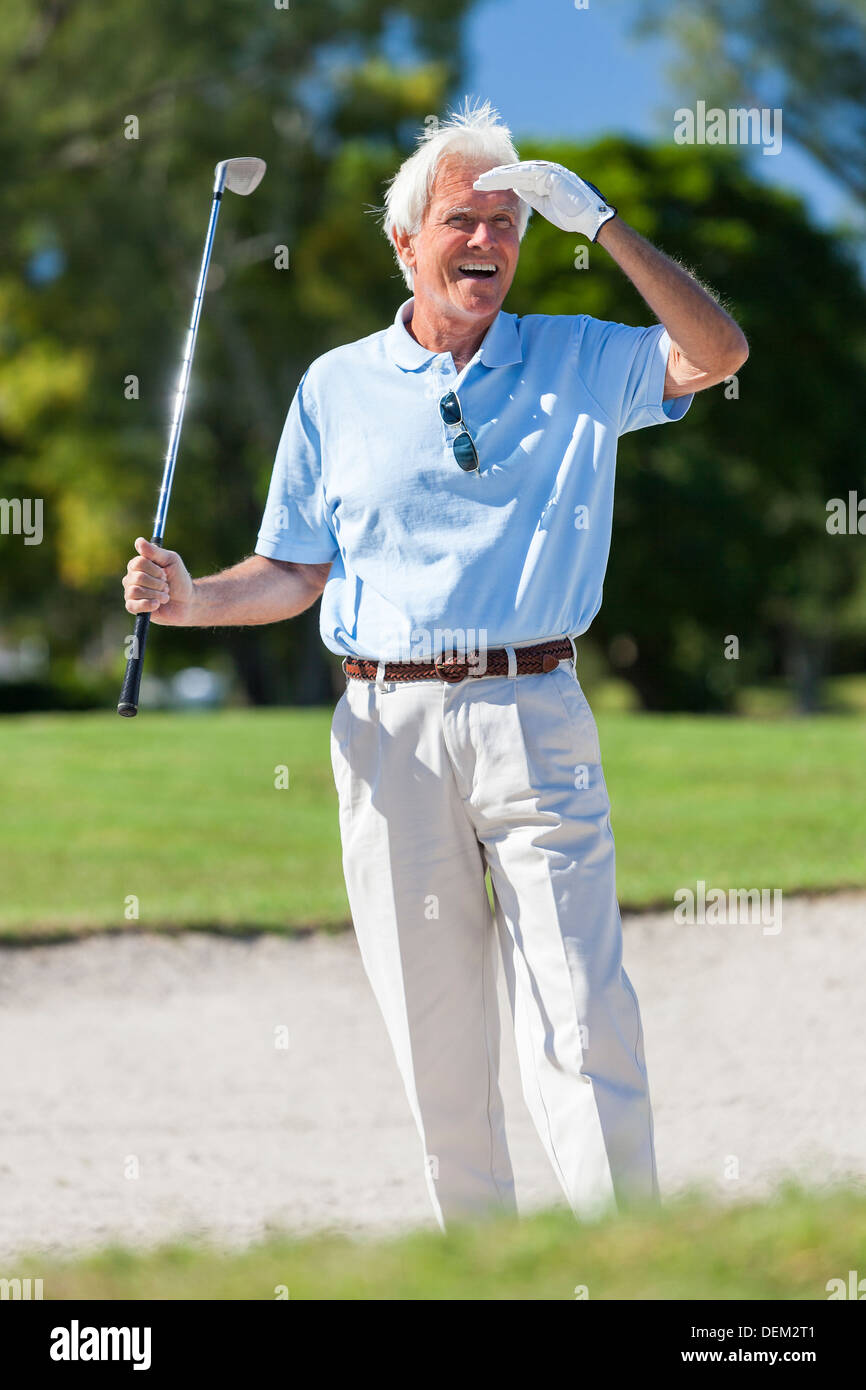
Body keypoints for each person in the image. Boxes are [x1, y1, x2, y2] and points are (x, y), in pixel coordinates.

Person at [122, 100, 748, 1231]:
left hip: (532, 713)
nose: (490, 243)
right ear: (404, 243)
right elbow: (290, 569)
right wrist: (190, 598)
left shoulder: (578, 355)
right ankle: (483, 1273)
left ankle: (633, 1270)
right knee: (433, 1028)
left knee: (579, 1011)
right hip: (384, 732)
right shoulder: (333, 387)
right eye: (464, 219)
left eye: (509, 224)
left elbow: (717, 352)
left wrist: (599, 223)